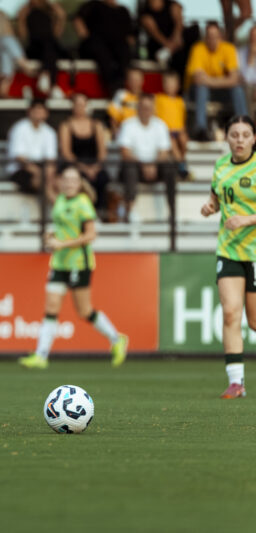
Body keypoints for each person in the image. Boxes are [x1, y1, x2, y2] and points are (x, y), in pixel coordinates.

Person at [19, 166, 128, 370]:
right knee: (51, 307)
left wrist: (62, 244)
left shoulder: (83, 203)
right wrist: (52, 235)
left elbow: (90, 235)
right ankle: (41, 355)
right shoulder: (60, 200)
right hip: (59, 262)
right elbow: (64, 227)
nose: (69, 183)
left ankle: (117, 339)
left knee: (84, 311)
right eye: (66, 179)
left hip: (79, 263)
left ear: (79, 183)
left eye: (73, 180)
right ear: (61, 182)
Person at [200, 115, 256, 399]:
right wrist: (210, 206)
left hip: (255, 250)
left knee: (254, 321)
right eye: (234, 135)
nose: (240, 140)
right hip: (229, 249)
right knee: (231, 312)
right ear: (226, 138)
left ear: (254, 138)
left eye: (245, 135)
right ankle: (236, 382)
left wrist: (247, 220)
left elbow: (243, 214)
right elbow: (217, 198)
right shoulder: (221, 165)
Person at [117, 93, 176, 222]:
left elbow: (164, 152)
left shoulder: (160, 125)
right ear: (138, 108)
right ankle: (130, 210)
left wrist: (153, 164)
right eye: (143, 107)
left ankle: (172, 211)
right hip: (135, 167)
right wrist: (144, 165)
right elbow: (125, 152)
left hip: (155, 166)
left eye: (149, 108)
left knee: (169, 168)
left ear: (153, 109)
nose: (146, 111)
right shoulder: (128, 124)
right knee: (129, 168)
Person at [186, 22, 248, 140]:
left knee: (238, 90)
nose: (212, 39)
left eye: (215, 36)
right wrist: (225, 80)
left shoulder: (229, 48)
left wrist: (208, 80)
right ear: (205, 37)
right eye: (209, 36)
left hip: (221, 92)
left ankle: (244, 127)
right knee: (202, 89)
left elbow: (235, 80)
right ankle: (201, 129)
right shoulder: (198, 49)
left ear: (221, 36)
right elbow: (198, 79)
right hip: (200, 93)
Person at [59, 93, 110, 216]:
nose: (80, 108)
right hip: (75, 166)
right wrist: (84, 168)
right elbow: (66, 153)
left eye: (82, 105)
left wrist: (95, 168)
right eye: (77, 105)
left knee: (102, 178)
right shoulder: (66, 125)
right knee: (76, 180)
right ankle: (78, 213)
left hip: (95, 166)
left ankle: (100, 213)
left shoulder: (96, 125)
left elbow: (102, 152)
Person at [74, 0, 135, 94]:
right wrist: (85, 37)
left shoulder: (123, 11)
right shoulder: (93, 5)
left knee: (124, 52)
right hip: (96, 45)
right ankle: (113, 86)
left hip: (117, 47)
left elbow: (130, 35)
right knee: (101, 52)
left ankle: (120, 85)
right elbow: (78, 20)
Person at [6, 99, 57, 198]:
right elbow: (18, 157)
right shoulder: (19, 128)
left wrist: (48, 173)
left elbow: (51, 158)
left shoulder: (49, 132)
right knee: (40, 180)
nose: (38, 113)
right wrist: (38, 172)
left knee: (58, 180)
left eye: (41, 110)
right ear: (29, 111)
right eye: (36, 110)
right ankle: (56, 204)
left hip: (42, 168)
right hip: (20, 169)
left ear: (46, 113)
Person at [17, 0, 68, 97]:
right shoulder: (27, 11)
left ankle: (45, 75)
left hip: (50, 46)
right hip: (34, 48)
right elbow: (23, 36)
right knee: (49, 47)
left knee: (50, 46)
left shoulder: (50, 11)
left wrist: (60, 17)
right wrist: (21, 19)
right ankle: (53, 85)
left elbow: (56, 35)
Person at [139, 0, 195, 81]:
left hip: (177, 43)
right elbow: (155, 33)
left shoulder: (173, 6)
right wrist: (169, 47)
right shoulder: (145, 14)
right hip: (159, 47)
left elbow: (179, 23)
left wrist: (176, 38)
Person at [154, 71, 188, 178]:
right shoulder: (159, 98)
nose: (170, 86)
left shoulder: (180, 101)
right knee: (173, 143)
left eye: (172, 83)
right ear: (163, 85)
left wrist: (183, 130)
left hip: (178, 130)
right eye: (167, 83)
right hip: (166, 131)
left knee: (184, 140)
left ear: (178, 86)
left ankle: (181, 161)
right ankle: (181, 167)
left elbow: (182, 118)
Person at [107, 67, 144, 133]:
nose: (134, 82)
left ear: (142, 81)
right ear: (127, 81)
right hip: (124, 133)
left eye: (136, 80)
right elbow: (113, 118)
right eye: (131, 79)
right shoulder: (120, 95)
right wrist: (116, 132)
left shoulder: (147, 99)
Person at [237, 26, 256, 114]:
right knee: (246, 89)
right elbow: (245, 77)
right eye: (252, 36)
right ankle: (249, 120)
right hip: (247, 86)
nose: (254, 39)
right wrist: (251, 57)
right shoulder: (241, 52)